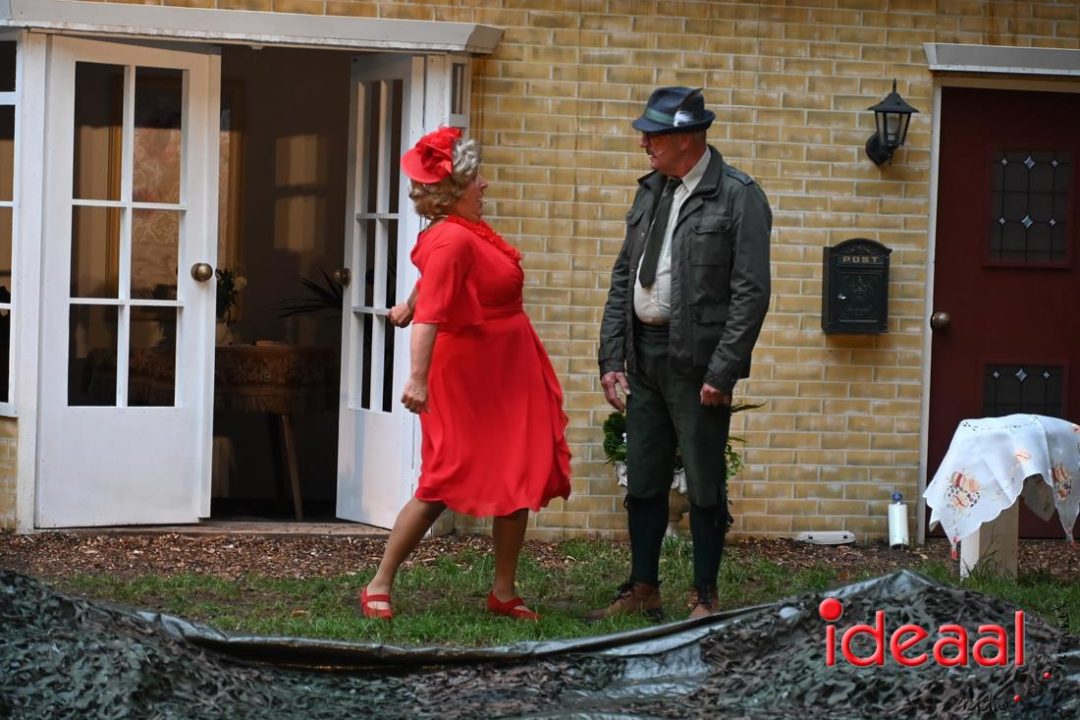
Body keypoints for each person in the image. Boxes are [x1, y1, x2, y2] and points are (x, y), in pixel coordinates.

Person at [360, 126, 572, 622]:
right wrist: (417, 378)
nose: (485, 185)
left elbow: (432, 287)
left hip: (507, 367)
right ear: (455, 188)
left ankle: (504, 591)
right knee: (444, 477)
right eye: (477, 178)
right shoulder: (452, 239)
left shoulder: (464, 230)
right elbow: (435, 313)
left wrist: (407, 304)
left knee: (517, 470)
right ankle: (379, 582)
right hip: (468, 374)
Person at [591, 87, 771, 621]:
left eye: (653, 135)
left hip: (698, 363)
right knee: (644, 477)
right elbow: (624, 276)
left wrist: (723, 370)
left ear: (686, 139)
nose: (643, 143)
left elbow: (751, 292)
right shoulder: (651, 191)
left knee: (704, 482)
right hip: (644, 357)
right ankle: (643, 587)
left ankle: (705, 597)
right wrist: (612, 357)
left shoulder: (738, 196)